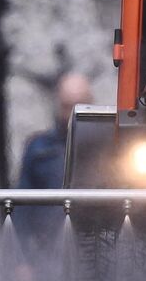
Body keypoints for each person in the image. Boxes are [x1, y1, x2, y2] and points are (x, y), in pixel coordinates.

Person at [13, 72, 92, 264]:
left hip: (95, 251)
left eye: (79, 105)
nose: (73, 114)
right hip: (47, 253)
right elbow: (22, 207)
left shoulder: (108, 149)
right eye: (67, 106)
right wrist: (22, 261)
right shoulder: (39, 148)